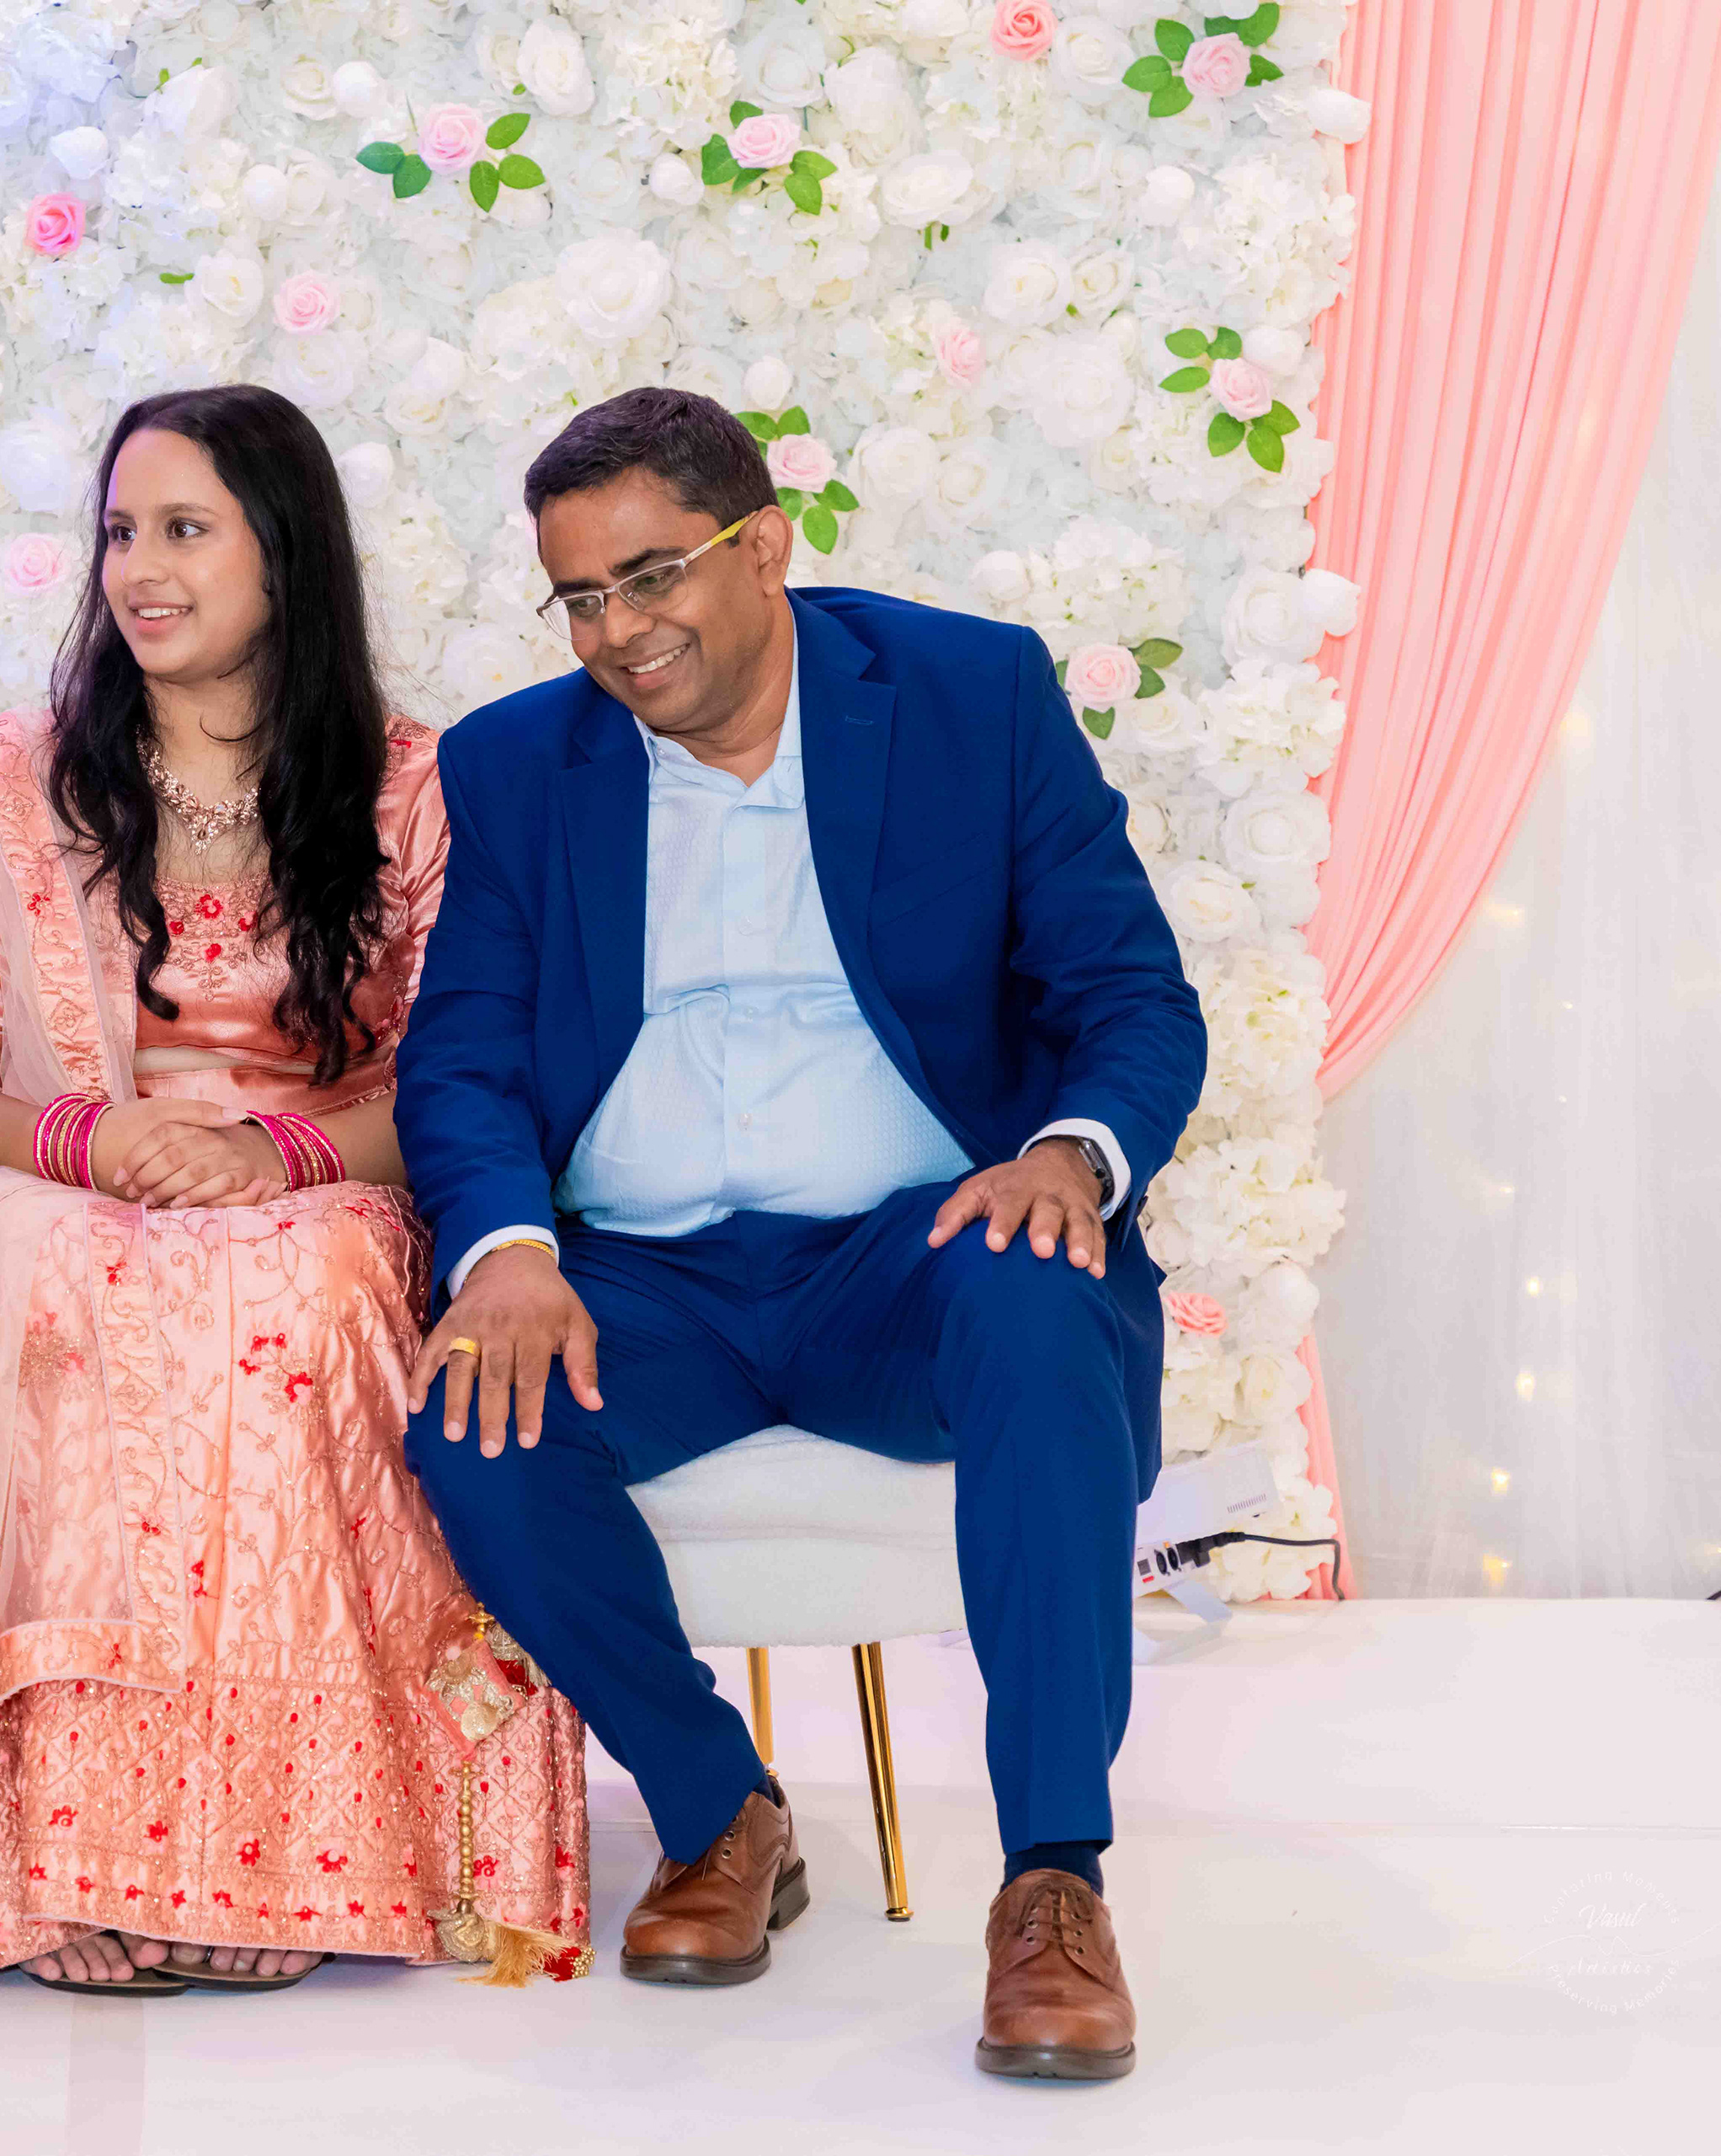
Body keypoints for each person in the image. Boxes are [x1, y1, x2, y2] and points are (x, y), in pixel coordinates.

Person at [394, 387, 1207, 2079]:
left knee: (1040, 1297)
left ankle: (1054, 1881)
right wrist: (511, 1252)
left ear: (763, 546)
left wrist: (1071, 1154)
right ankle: (719, 1808)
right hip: (646, 1281)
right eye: (578, 596)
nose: (616, 631)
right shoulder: (517, 765)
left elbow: (1129, 991)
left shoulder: (971, 695)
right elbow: (462, 1055)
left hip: (914, 1256)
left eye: (650, 576)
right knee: (475, 1421)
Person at [0, 385, 592, 1997]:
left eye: (185, 530)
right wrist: (89, 1144)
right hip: (69, 1181)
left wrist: (283, 1154)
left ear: (285, 551)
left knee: (298, 1287)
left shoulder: (410, 791)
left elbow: (469, 1081)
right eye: (120, 532)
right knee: (58, 1271)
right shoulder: (16, 781)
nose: (140, 569)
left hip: (330, 1181)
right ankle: (64, 1864)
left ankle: (281, 1861)